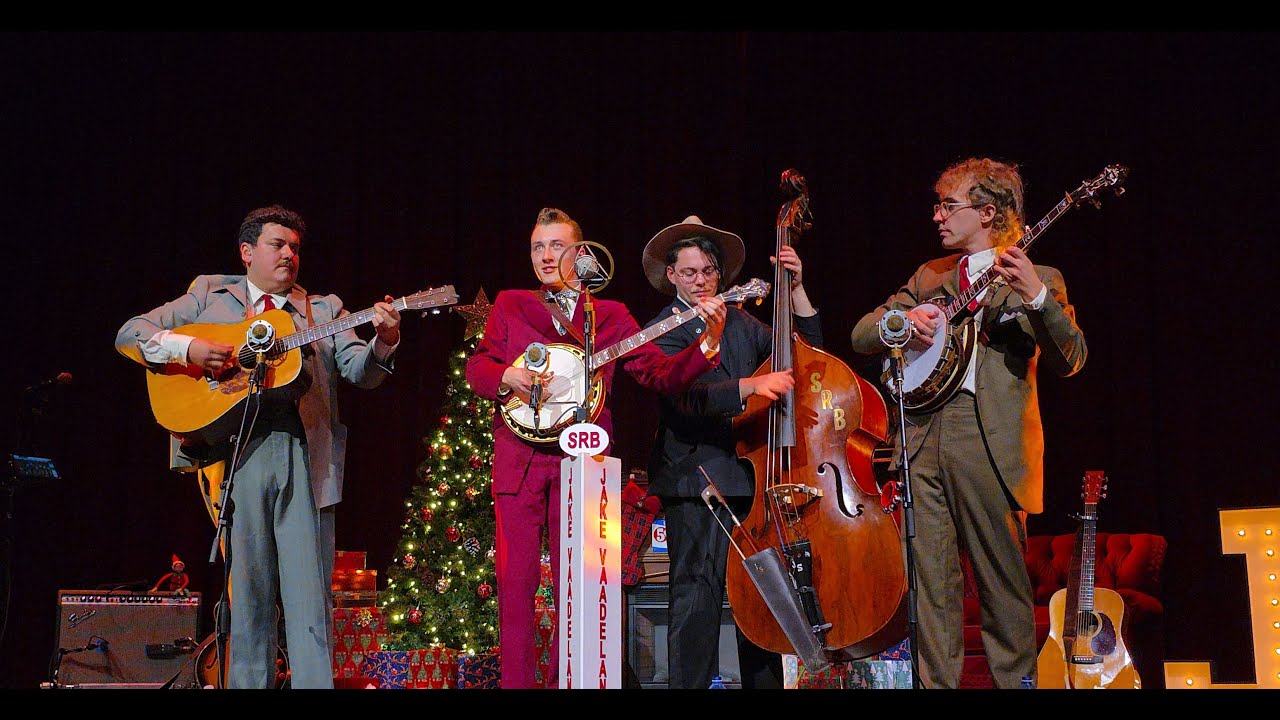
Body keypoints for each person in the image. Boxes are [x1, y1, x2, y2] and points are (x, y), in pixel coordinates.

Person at [115, 204, 402, 689]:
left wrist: (386, 340)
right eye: (278, 244)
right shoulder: (209, 293)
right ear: (247, 252)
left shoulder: (323, 309)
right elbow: (131, 333)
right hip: (236, 457)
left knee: (310, 604)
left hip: (305, 460)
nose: (289, 254)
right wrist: (192, 350)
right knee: (246, 600)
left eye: (295, 247)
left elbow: (360, 371)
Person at [465, 207, 727, 689]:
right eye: (538, 247)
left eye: (557, 246)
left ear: (580, 254)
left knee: (579, 592)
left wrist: (707, 344)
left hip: (581, 465)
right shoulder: (511, 304)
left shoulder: (608, 316)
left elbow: (658, 374)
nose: (546, 256)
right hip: (519, 462)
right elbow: (478, 366)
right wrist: (505, 374)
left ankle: (570, 681)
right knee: (516, 586)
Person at [849, 158, 1087, 688]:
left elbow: (1071, 358)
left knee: (1001, 582)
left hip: (988, 440)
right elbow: (864, 333)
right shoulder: (929, 276)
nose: (937, 216)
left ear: (986, 212)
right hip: (921, 437)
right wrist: (902, 321)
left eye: (948, 205)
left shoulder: (1040, 277)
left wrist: (1037, 297)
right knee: (932, 581)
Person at [641, 215, 821, 689]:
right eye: (690, 272)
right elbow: (686, 400)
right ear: (672, 277)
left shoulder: (741, 320)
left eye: (708, 272)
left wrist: (796, 290)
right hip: (696, 479)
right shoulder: (663, 329)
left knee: (760, 603)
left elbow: (804, 356)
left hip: (750, 478)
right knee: (696, 602)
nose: (701, 281)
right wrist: (750, 386)